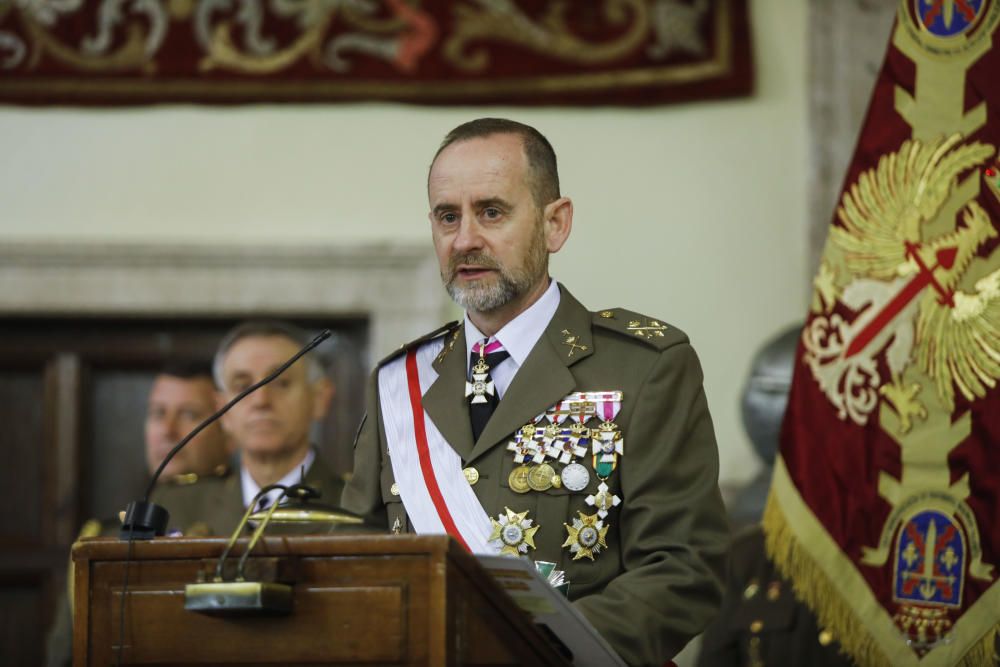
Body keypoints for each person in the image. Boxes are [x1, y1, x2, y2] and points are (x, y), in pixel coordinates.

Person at [341, 118, 729, 666]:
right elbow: (358, 565)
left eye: (491, 211)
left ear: (555, 224)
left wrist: (526, 649)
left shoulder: (644, 367)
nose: (465, 239)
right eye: (447, 216)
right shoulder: (401, 381)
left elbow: (683, 568)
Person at [45, 361, 233, 667]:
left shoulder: (246, 516)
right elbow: (66, 654)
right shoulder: (100, 534)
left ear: (230, 432)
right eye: (158, 413)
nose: (168, 431)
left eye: (189, 414)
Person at [153, 320, 344, 535]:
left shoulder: (356, 505)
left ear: (319, 399)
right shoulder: (175, 505)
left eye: (281, 383)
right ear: (222, 409)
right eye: (243, 386)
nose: (260, 400)